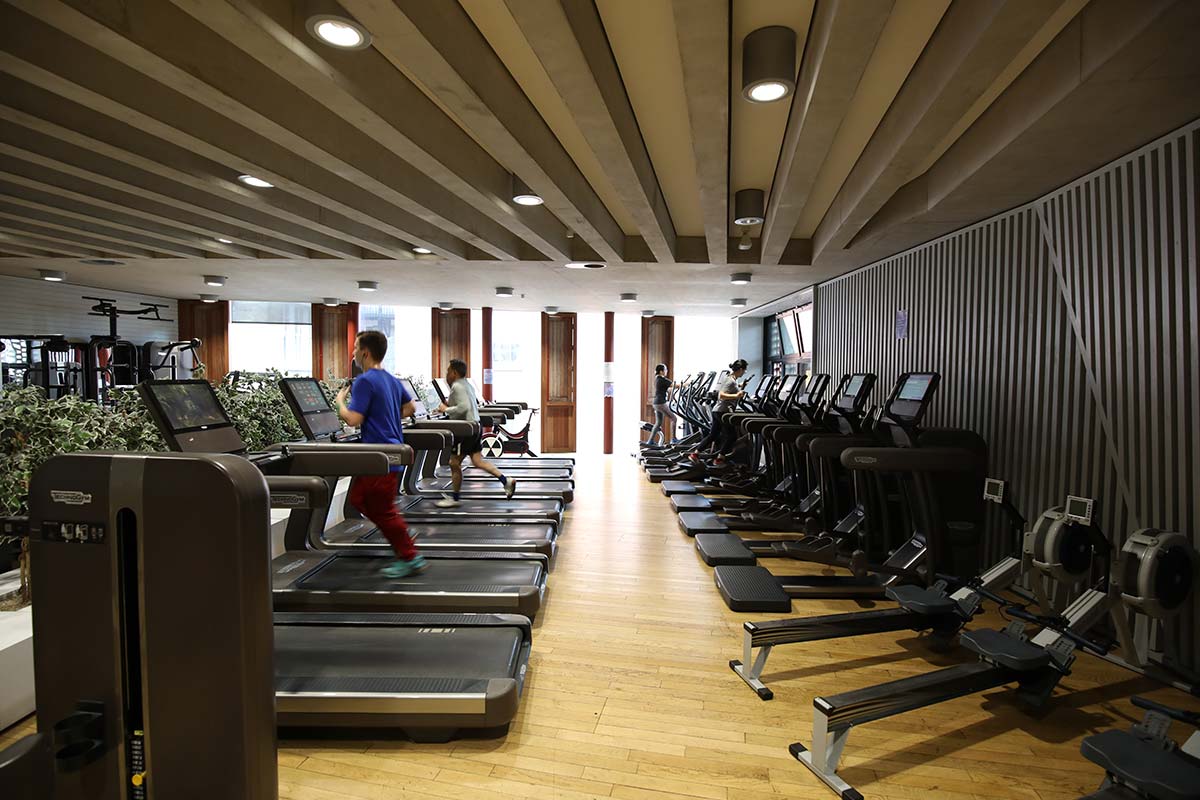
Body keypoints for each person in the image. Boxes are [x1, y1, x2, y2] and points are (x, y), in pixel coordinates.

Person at [334, 330, 426, 578]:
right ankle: (398, 531)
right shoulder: (391, 380)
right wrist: (386, 415)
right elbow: (410, 408)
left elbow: (353, 419)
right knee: (359, 499)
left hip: (381, 457)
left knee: (382, 509)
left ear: (365, 352)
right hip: (391, 453)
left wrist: (340, 402)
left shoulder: (364, 381)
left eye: (355, 348)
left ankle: (410, 556)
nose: (352, 352)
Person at [434, 358, 517, 507]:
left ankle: (455, 499)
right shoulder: (466, 385)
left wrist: (445, 410)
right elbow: (463, 404)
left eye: (448, 371)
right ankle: (506, 480)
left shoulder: (457, 386)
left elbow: (463, 407)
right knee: (478, 461)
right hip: (475, 426)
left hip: (465, 430)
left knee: (454, 463)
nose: (446, 374)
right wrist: (447, 405)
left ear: (454, 372)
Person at [689, 358, 748, 463]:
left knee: (713, 434)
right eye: (744, 370)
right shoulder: (731, 381)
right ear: (739, 369)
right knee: (732, 436)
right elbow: (721, 395)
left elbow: (729, 388)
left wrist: (740, 386)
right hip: (723, 412)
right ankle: (720, 458)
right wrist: (737, 395)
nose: (744, 373)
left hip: (718, 411)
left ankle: (695, 454)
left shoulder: (730, 379)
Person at [646, 363, 677, 445]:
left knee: (658, 422)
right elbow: (676, 385)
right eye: (665, 369)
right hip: (661, 403)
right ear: (661, 371)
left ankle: (650, 441)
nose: (667, 371)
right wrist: (689, 384)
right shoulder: (662, 379)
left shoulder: (657, 379)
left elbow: (667, 389)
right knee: (674, 418)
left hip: (656, 403)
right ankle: (673, 439)